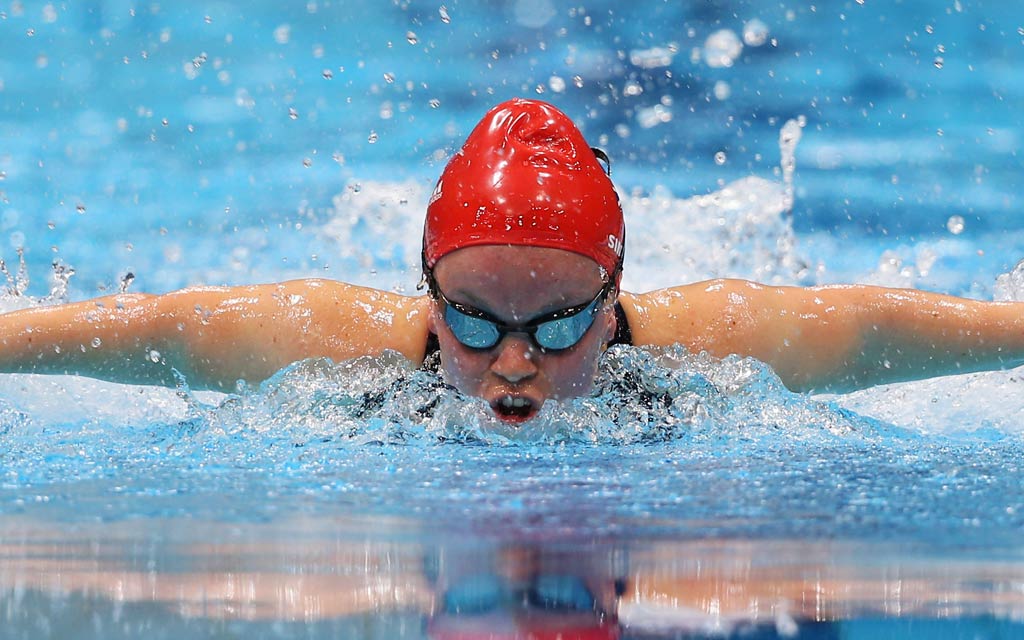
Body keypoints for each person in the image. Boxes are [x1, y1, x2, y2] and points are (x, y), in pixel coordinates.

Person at [2, 98, 1024, 425]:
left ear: (613, 300)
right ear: (428, 291)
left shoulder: (713, 343)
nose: (515, 364)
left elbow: (876, 328)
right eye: (473, 322)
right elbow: (160, 331)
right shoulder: (334, 344)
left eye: (564, 325)